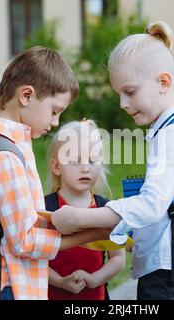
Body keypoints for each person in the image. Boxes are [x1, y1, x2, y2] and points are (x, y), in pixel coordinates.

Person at [51, 21, 174, 300]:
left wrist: (79, 216)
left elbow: (152, 204)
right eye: (119, 94)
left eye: (130, 92)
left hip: (167, 277)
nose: (123, 104)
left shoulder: (171, 137)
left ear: (163, 82)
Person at [0, 46, 110, 300]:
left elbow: (10, 217)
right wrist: (92, 234)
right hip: (6, 287)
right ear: (26, 96)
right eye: (54, 111)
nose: (55, 122)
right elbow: (25, 241)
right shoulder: (5, 157)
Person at [45, 119, 125, 300]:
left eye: (92, 160)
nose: (85, 168)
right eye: (74, 161)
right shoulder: (46, 208)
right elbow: (35, 256)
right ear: (57, 166)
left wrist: (95, 279)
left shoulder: (106, 209)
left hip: (95, 296)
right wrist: (59, 281)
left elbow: (117, 258)